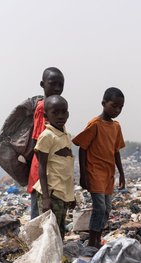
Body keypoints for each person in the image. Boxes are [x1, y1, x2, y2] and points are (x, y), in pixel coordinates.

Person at [73, 87, 126, 248]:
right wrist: (83, 175)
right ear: (103, 103)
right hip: (94, 171)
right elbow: (82, 148)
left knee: (107, 208)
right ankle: (92, 242)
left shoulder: (116, 127)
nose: (117, 110)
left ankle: (98, 237)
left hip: (108, 173)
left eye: (120, 107)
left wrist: (122, 174)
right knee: (99, 207)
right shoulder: (95, 124)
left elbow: (116, 151)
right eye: (114, 106)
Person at [32, 95, 75, 239]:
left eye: (63, 112)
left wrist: (71, 195)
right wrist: (45, 198)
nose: (60, 116)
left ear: (68, 113)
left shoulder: (66, 136)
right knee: (49, 234)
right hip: (51, 193)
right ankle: (47, 261)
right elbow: (41, 168)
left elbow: (66, 169)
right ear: (46, 116)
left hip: (62, 193)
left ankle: (57, 260)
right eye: (55, 112)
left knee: (60, 231)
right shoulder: (47, 136)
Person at [27, 67, 65, 219]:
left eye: (60, 84)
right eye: (52, 83)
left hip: (49, 172)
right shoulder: (44, 108)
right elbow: (40, 142)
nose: (57, 88)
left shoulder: (55, 107)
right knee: (40, 217)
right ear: (42, 84)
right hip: (42, 170)